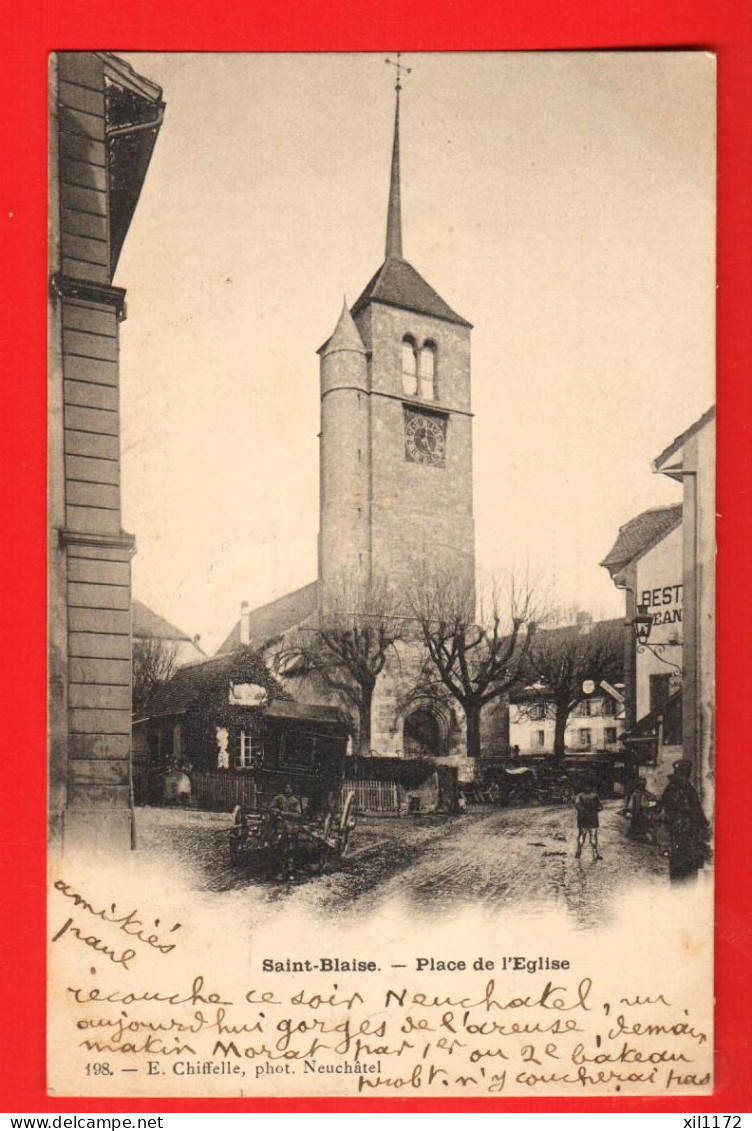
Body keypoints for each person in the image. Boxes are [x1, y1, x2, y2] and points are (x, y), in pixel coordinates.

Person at [660, 759, 710, 882]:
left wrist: (703, 824)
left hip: (690, 833)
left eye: (685, 773)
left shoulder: (689, 789)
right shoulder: (672, 789)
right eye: (682, 772)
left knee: (690, 867)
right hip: (678, 832)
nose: (684, 775)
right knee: (679, 867)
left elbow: (697, 810)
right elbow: (667, 811)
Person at [268, 783, 304, 879]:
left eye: (289, 788)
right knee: (279, 848)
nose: (287, 790)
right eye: (286, 788)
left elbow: (298, 814)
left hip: (292, 827)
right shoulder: (279, 798)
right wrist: (278, 812)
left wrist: (286, 814)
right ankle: (280, 871)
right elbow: (270, 807)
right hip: (280, 826)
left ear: (292, 790)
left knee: (291, 849)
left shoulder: (295, 800)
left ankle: (290, 871)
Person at [574, 780, 603, 860]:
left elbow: (577, 806)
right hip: (593, 818)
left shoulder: (579, 796)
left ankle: (579, 851)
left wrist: (584, 811)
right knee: (593, 836)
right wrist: (594, 810)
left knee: (581, 835)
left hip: (582, 818)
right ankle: (595, 853)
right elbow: (600, 807)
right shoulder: (595, 796)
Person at [625, 776, 657, 844]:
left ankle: (646, 837)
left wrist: (653, 800)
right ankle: (636, 836)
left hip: (644, 812)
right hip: (638, 813)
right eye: (641, 784)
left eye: (644, 784)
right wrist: (629, 811)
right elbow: (632, 804)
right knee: (637, 825)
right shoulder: (636, 794)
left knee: (646, 825)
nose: (643, 785)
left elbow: (653, 797)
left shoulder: (645, 792)